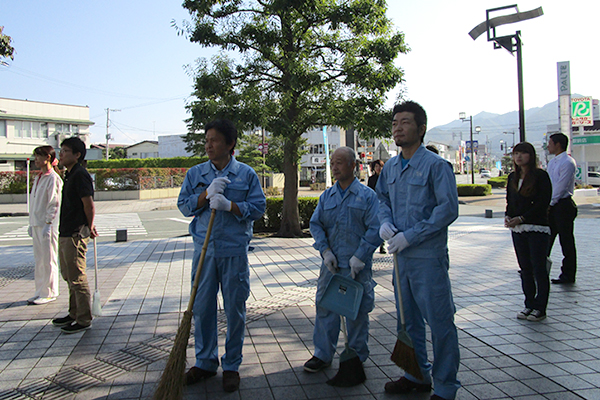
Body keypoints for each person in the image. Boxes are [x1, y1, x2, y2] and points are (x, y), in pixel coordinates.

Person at [377, 101, 460, 400]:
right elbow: (381, 200)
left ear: (421, 128)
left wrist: (411, 236)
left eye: (405, 122)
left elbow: (448, 209)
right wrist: (384, 223)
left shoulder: (437, 166)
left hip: (428, 258)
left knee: (439, 322)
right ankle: (416, 374)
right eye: (395, 123)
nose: (398, 128)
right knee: (407, 320)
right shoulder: (390, 168)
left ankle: (446, 386)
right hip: (401, 260)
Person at [177, 119, 266, 393]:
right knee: (202, 308)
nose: (208, 145)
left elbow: (259, 207)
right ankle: (205, 362)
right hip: (204, 251)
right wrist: (205, 195)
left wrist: (231, 206)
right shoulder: (196, 174)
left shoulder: (246, 174)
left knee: (235, 309)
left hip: (233, 251)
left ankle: (232, 366)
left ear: (230, 144)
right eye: (207, 140)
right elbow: (183, 205)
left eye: (214, 140)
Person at [304, 147, 381, 386]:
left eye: (340, 163)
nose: (335, 167)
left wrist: (361, 256)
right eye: (332, 163)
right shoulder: (327, 197)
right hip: (332, 265)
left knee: (356, 312)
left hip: (357, 265)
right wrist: (325, 250)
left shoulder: (367, 196)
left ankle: (355, 356)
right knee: (325, 307)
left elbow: (376, 228)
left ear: (353, 166)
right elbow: (316, 224)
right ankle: (323, 354)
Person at [52, 137, 98, 334]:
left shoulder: (80, 175)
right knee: (68, 275)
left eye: (65, 151)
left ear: (77, 155)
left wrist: (90, 226)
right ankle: (73, 312)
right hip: (65, 231)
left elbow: (88, 204)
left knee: (77, 276)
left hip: (75, 233)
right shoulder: (69, 175)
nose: (61, 154)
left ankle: (83, 318)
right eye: (60, 151)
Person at [505, 143, 552, 321]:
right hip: (517, 228)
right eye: (516, 153)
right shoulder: (512, 177)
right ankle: (529, 304)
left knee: (538, 268)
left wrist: (523, 218)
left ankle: (541, 307)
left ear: (531, 156)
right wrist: (508, 216)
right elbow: (510, 200)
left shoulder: (540, 176)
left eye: (523, 153)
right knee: (525, 268)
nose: (519, 157)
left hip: (537, 227)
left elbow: (543, 203)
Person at [27, 146, 63, 305]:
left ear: (47, 157)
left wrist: (49, 223)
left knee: (49, 259)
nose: (35, 160)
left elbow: (54, 203)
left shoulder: (53, 178)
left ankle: (50, 292)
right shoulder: (39, 177)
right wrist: (31, 222)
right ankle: (40, 290)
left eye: (38, 156)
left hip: (47, 225)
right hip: (37, 223)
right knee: (39, 259)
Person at [546, 133, 578, 284]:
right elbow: (549, 184)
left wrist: (550, 204)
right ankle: (538, 269)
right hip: (552, 204)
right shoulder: (552, 162)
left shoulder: (567, 162)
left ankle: (568, 274)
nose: (548, 146)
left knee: (566, 241)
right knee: (546, 238)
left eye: (550, 143)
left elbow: (560, 187)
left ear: (558, 144)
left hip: (563, 205)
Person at [367, 159, 386, 254]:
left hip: (383, 204)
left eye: (380, 166)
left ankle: (382, 245)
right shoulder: (371, 179)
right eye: (377, 167)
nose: (379, 168)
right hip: (374, 204)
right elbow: (369, 192)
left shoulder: (385, 178)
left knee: (383, 224)